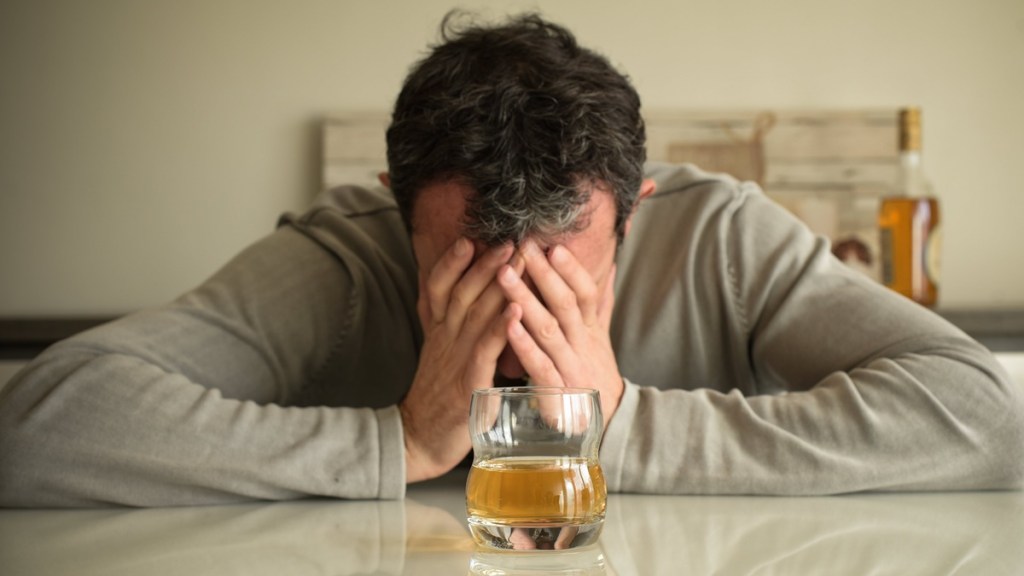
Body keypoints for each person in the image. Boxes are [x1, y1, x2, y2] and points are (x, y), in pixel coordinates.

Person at [1, 13, 1022, 507]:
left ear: (634, 214)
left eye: (562, 270)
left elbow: (978, 420)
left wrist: (620, 420)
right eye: (471, 269)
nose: (516, 317)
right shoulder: (342, 258)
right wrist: (396, 445)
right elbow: (39, 429)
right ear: (400, 218)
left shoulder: (719, 234)